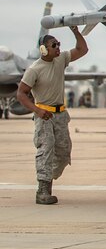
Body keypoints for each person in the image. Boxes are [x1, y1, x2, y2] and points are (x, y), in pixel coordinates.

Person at [16, 27, 88, 205]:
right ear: (43, 49)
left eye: (59, 44)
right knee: (45, 150)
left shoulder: (61, 59)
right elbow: (21, 94)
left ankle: (48, 176)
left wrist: (75, 31)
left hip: (61, 114)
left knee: (64, 152)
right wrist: (37, 110)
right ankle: (43, 190)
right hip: (44, 115)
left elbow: (82, 50)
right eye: (54, 45)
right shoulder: (34, 69)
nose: (58, 47)